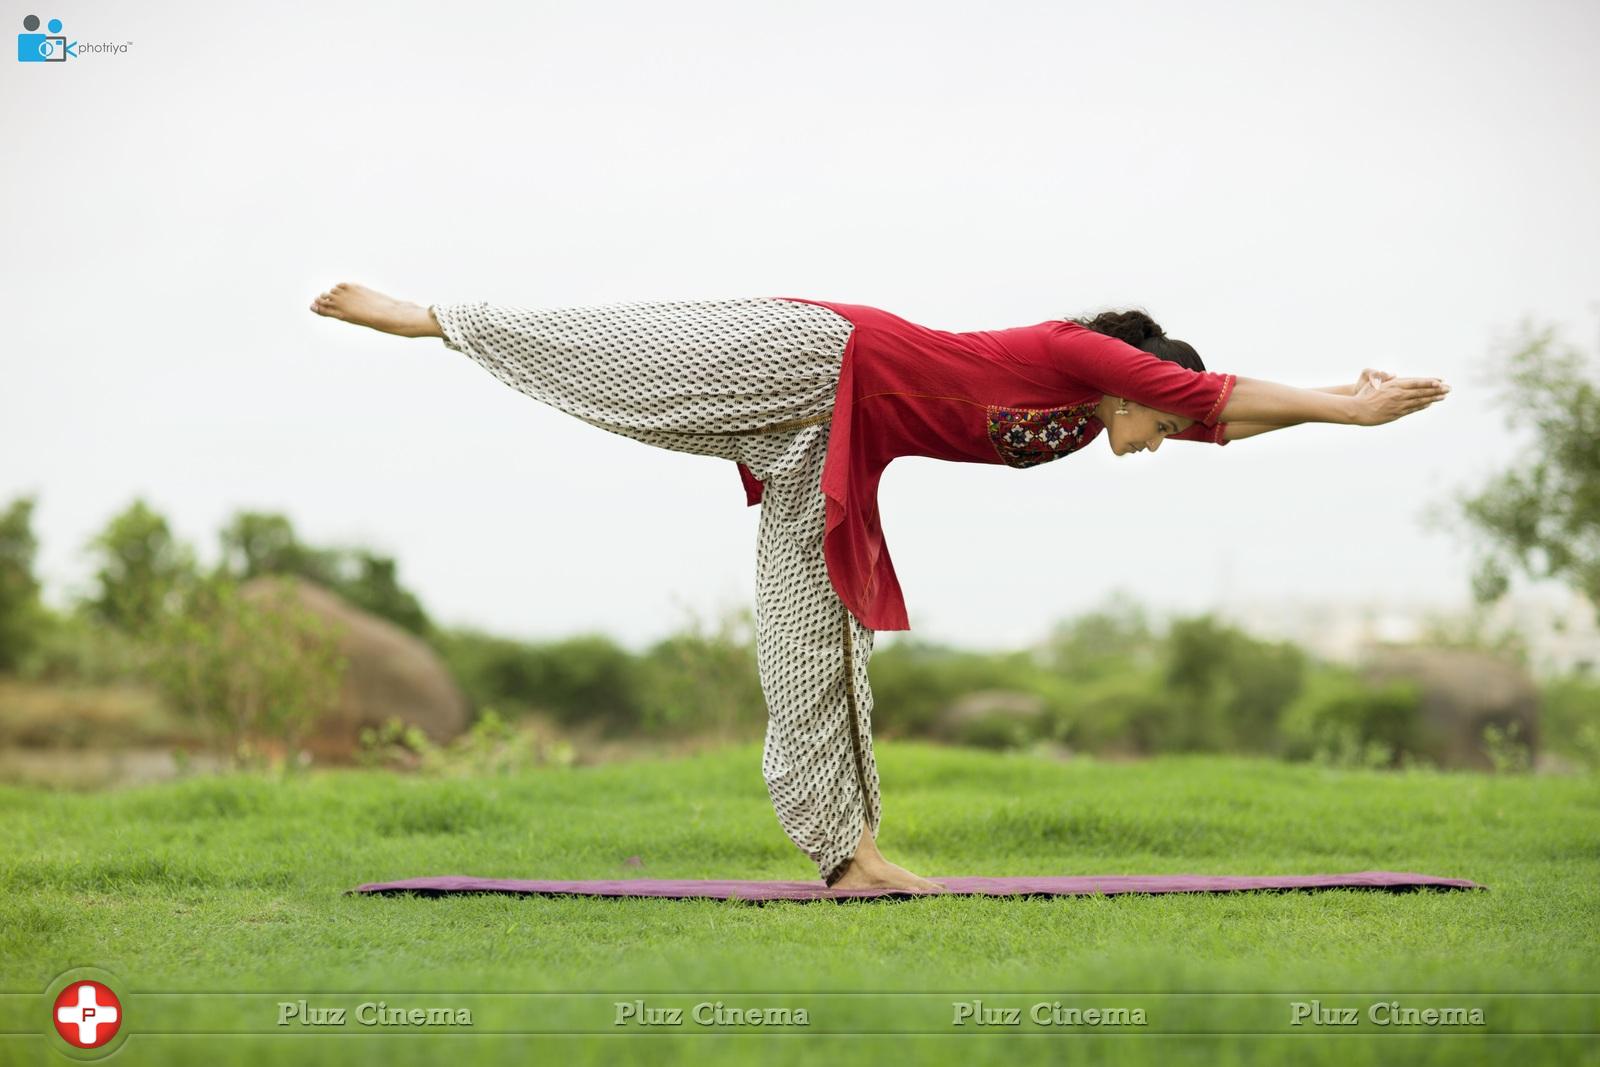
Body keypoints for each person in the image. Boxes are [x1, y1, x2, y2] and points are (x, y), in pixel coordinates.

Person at [309, 282, 1450, 893]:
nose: (1165, 437)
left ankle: (847, 852)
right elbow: (1217, 394)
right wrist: (1346, 403)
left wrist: (1323, 420)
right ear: (1141, 382)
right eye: (1165, 416)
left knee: (819, 638)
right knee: (630, 360)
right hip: (817, 354)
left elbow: (1222, 419)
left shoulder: (1076, 428)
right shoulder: (1083, 357)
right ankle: (432, 318)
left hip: (832, 441)